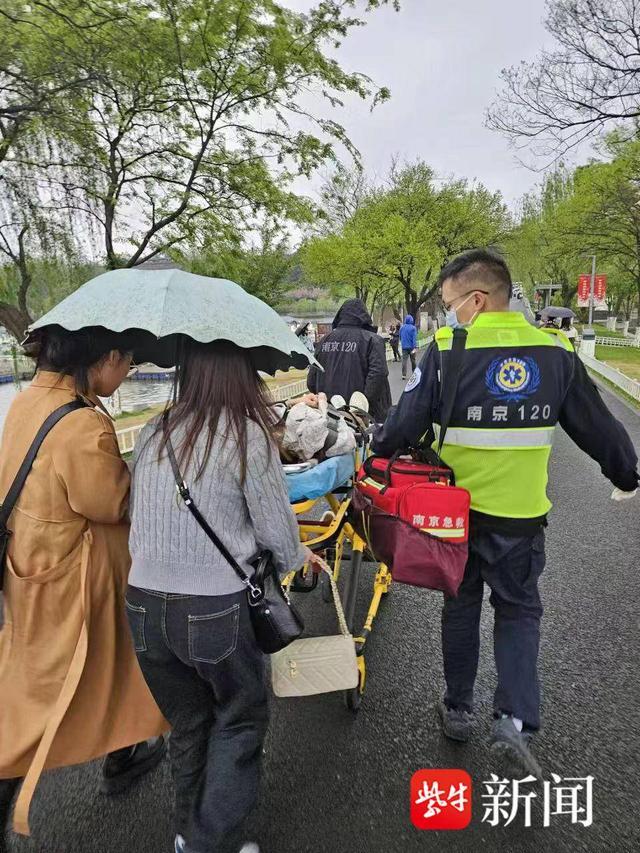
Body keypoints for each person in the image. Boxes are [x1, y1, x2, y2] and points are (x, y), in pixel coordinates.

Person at [372, 248, 638, 778]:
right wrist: (626, 474)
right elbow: (597, 426)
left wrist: (376, 449)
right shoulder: (554, 350)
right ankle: (515, 718)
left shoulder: (446, 349)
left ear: (476, 299)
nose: (447, 313)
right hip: (521, 517)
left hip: (455, 516)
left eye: (450, 302)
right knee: (518, 611)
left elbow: (404, 424)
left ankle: (458, 709)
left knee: (461, 606)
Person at [127, 339, 319, 853]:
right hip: (214, 607)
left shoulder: (152, 431)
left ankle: (189, 833)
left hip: (143, 604)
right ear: (240, 372)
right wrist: (295, 561)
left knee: (188, 723)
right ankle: (214, 843)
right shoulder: (246, 436)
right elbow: (278, 534)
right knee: (239, 718)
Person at [0, 327, 168, 838]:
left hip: (31, 564)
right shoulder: (82, 424)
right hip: (77, 577)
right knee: (54, 689)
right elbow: (110, 502)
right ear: (107, 357)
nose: (129, 373)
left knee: (76, 671)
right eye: (129, 363)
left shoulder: (27, 401)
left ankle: (127, 746)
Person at [307, 299, 392, 422]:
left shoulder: (323, 341)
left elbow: (311, 381)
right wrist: (361, 405)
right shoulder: (373, 341)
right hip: (363, 418)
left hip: (329, 416)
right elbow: (378, 374)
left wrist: (325, 400)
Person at [399, 314, 418, 379]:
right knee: (413, 360)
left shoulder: (402, 327)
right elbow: (414, 338)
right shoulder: (413, 328)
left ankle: (403, 375)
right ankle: (414, 373)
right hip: (412, 347)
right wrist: (415, 347)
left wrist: (402, 342)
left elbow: (400, 336)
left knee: (404, 360)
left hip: (404, 347)